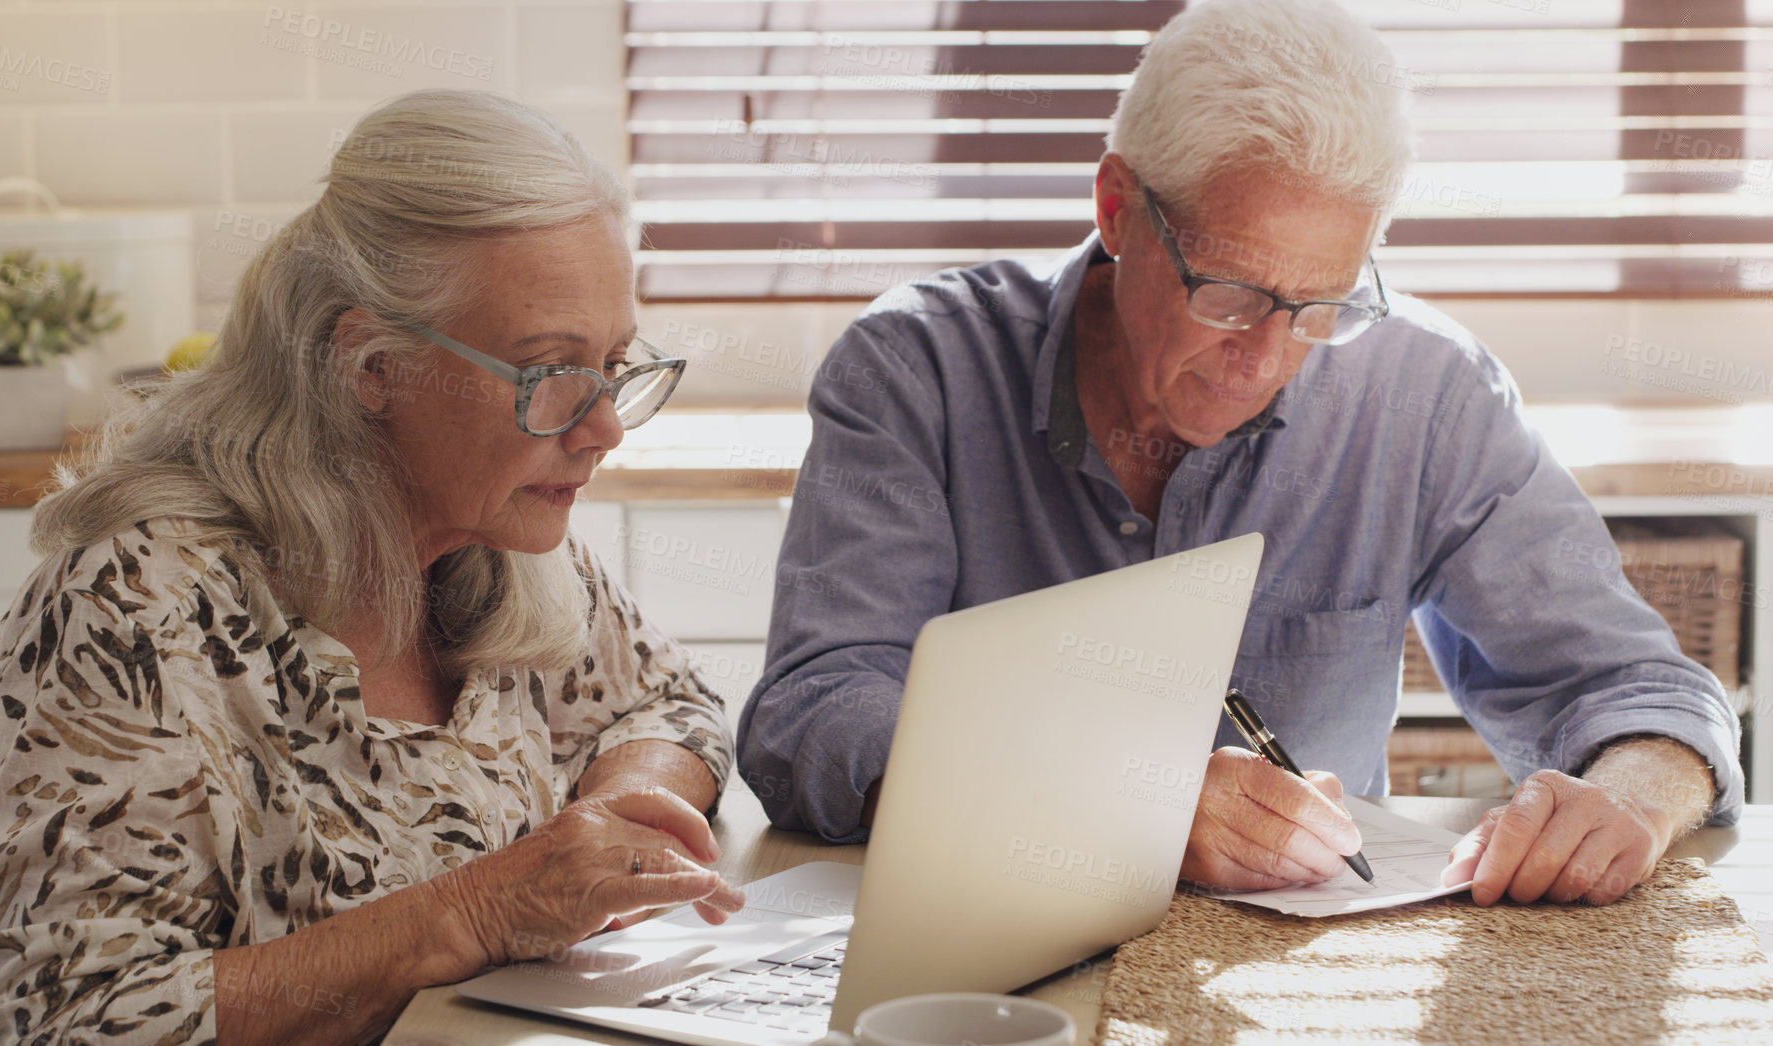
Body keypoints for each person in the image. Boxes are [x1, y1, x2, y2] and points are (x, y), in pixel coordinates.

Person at [738, 0, 1741, 909]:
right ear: (1116, 207)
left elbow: (1639, 691)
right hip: (978, 949)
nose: (1263, 358)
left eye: (1320, 307)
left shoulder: (1423, 396)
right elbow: (816, 717)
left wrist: (1633, 796)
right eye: (1227, 294)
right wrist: (1112, 799)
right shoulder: (918, 370)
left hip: (1306, 978)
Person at [0, 89, 744, 1046]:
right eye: (550, 375)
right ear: (370, 365)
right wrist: (490, 907)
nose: (604, 427)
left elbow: (664, 703)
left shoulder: (491, 539)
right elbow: (69, 1019)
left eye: (616, 365)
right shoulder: (132, 608)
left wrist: (622, 803)